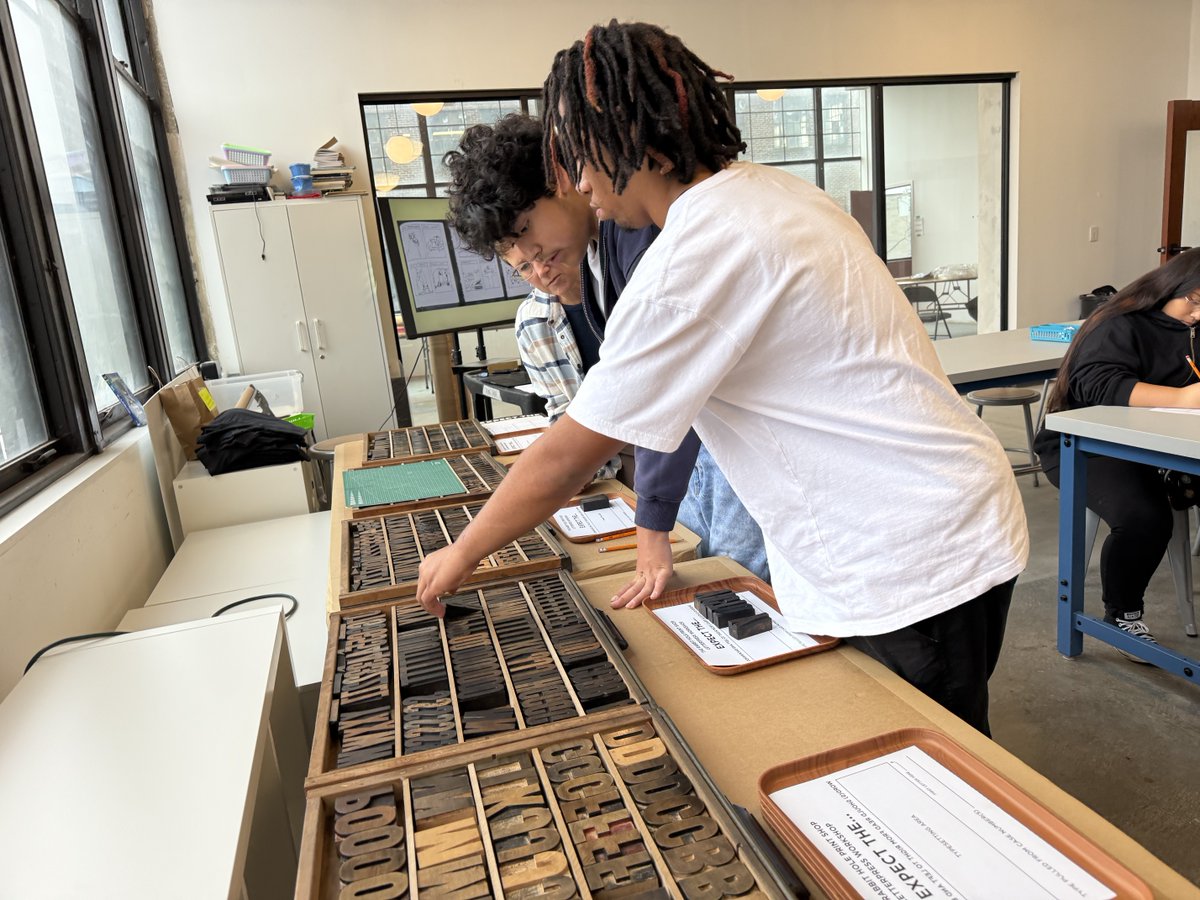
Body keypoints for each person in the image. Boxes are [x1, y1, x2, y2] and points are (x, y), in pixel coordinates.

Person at [420, 21, 1027, 735]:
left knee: (930, 765)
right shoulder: (767, 194)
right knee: (906, 739)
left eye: (580, 159)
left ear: (632, 140)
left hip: (907, 547)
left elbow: (564, 459)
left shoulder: (696, 255)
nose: (580, 183)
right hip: (932, 512)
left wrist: (461, 552)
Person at [443, 114, 769, 599]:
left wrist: (652, 520)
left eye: (529, 229)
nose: (538, 264)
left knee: (740, 588)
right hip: (697, 445)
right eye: (522, 262)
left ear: (561, 180)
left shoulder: (647, 238)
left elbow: (656, 391)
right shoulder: (598, 254)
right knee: (704, 582)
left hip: (744, 443)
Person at [1035, 249, 1200, 658]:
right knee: (1145, 518)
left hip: (1159, 444)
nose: (1197, 315)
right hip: (1084, 445)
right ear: (1175, 286)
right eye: (1194, 302)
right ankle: (1121, 615)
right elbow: (1100, 386)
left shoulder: (1193, 328)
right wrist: (1182, 399)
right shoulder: (1121, 324)